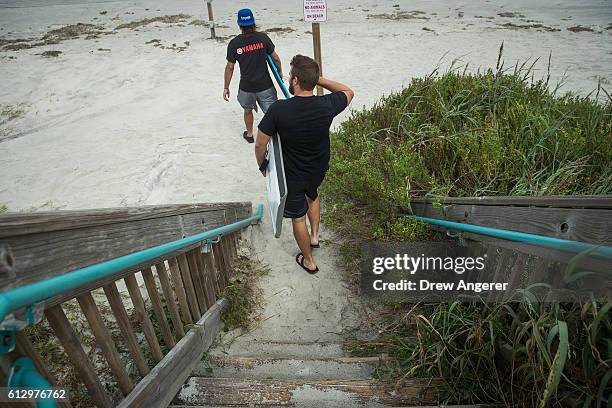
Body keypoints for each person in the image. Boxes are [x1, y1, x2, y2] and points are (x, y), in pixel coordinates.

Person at [255, 55, 354, 274]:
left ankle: (309, 260)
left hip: (294, 175)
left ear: (296, 80)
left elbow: (260, 143)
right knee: (313, 194)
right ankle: (315, 236)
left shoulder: (279, 109)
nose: (289, 79)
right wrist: (318, 80)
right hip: (318, 169)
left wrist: (263, 165)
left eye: (291, 76)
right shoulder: (326, 105)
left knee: (297, 216)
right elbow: (348, 92)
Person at [223, 8, 283, 144]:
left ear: (239, 25)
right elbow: (276, 59)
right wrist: (279, 73)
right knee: (271, 113)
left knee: (247, 110)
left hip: (246, 87)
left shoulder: (234, 43)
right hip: (265, 86)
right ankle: (274, 137)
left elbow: (230, 67)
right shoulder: (263, 38)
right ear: (253, 23)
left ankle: (250, 134)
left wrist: (226, 87)